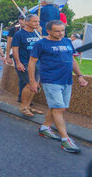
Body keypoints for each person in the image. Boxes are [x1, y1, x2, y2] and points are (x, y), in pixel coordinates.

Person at [28, 20, 88, 154]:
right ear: (48, 31)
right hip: (50, 80)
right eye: (57, 31)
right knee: (59, 108)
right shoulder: (41, 44)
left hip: (66, 80)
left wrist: (79, 75)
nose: (61, 33)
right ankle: (65, 139)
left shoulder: (66, 42)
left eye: (63, 30)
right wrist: (33, 81)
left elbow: (72, 60)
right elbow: (32, 63)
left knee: (59, 108)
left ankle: (45, 128)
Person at [12, 14, 44, 117]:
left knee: (35, 86)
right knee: (29, 84)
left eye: (38, 21)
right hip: (24, 63)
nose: (37, 23)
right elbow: (15, 49)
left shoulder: (36, 34)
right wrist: (18, 62)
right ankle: (23, 107)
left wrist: (40, 33)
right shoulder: (19, 34)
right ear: (27, 22)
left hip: (37, 64)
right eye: (35, 21)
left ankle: (28, 105)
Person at [6, 15, 25, 101]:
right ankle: (22, 97)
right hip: (18, 56)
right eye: (20, 19)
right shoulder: (14, 30)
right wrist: (7, 57)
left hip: (30, 57)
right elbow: (9, 43)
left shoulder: (34, 31)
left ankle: (24, 96)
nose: (21, 21)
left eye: (23, 19)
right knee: (23, 77)